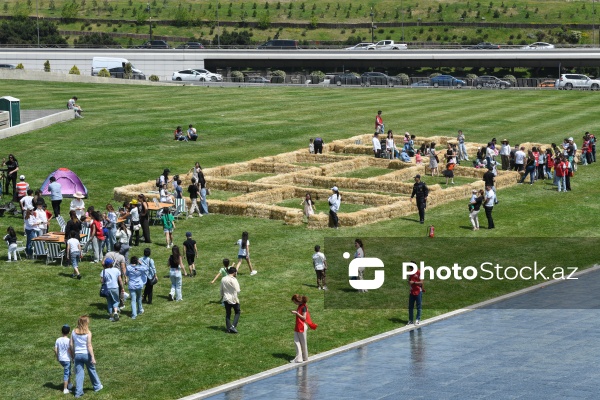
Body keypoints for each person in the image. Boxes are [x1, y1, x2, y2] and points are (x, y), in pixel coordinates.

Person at [70, 315, 102, 398]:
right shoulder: (88, 333)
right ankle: (97, 386)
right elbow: (89, 345)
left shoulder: (73, 332)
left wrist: (73, 355)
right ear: (86, 323)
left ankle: (78, 392)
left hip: (77, 355)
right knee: (92, 370)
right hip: (86, 355)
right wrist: (93, 357)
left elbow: (71, 344)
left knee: (79, 374)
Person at [290, 294, 317, 363]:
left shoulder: (303, 307)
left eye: (294, 302)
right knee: (297, 342)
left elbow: (304, 318)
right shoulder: (300, 306)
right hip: (298, 326)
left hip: (301, 326)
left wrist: (296, 313)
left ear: (297, 301)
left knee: (302, 343)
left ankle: (303, 358)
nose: (294, 303)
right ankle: (301, 358)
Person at [220, 266, 241, 333]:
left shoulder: (223, 279)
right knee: (237, 312)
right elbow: (238, 290)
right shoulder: (234, 279)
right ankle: (233, 326)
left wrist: (222, 297)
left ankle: (229, 329)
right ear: (234, 272)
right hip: (233, 299)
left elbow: (221, 290)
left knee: (228, 314)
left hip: (226, 298)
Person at [54, 324, 73, 394]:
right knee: (66, 373)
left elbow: (55, 350)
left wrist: (57, 357)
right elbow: (70, 350)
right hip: (67, 359)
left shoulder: (58, 340)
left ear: (61, 332)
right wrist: (73, 358)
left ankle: (69, 384)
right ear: (69, 332)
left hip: (61, 359)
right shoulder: (69, 340)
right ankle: (65, 389)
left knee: (68, 371)